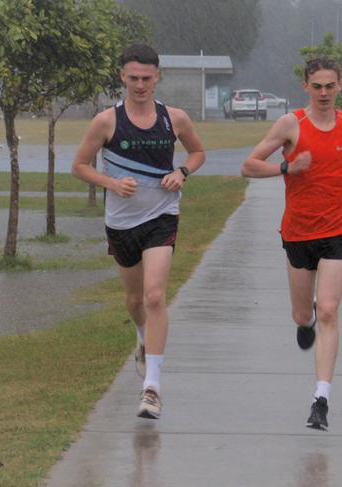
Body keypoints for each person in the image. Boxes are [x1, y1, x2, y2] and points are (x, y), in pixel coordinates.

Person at [71, 43, 205, 419]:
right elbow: (80, 165)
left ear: (158, 76)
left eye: (147, 78)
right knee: (134, 301)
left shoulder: (174, 118)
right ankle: (143, 340)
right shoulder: (106, 121)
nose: (141, 85)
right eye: (134, 78)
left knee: (155, 296)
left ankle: (152, 388)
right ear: (122, 77)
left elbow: (197, 153)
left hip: (162, 216)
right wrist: (111, 184)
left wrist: (182, 172)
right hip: (122, 222)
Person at [241, 58, 342, 431]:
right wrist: (286, 168)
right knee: (304, 315)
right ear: (306, 86)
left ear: (340, 85)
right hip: (298, 233)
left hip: (340, 230)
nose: (324, 93)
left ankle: (321, 399)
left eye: (330, 85)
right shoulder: (291, 125)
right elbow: (248, 165)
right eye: (318, 86)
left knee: (329, 310)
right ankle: (305, 319)